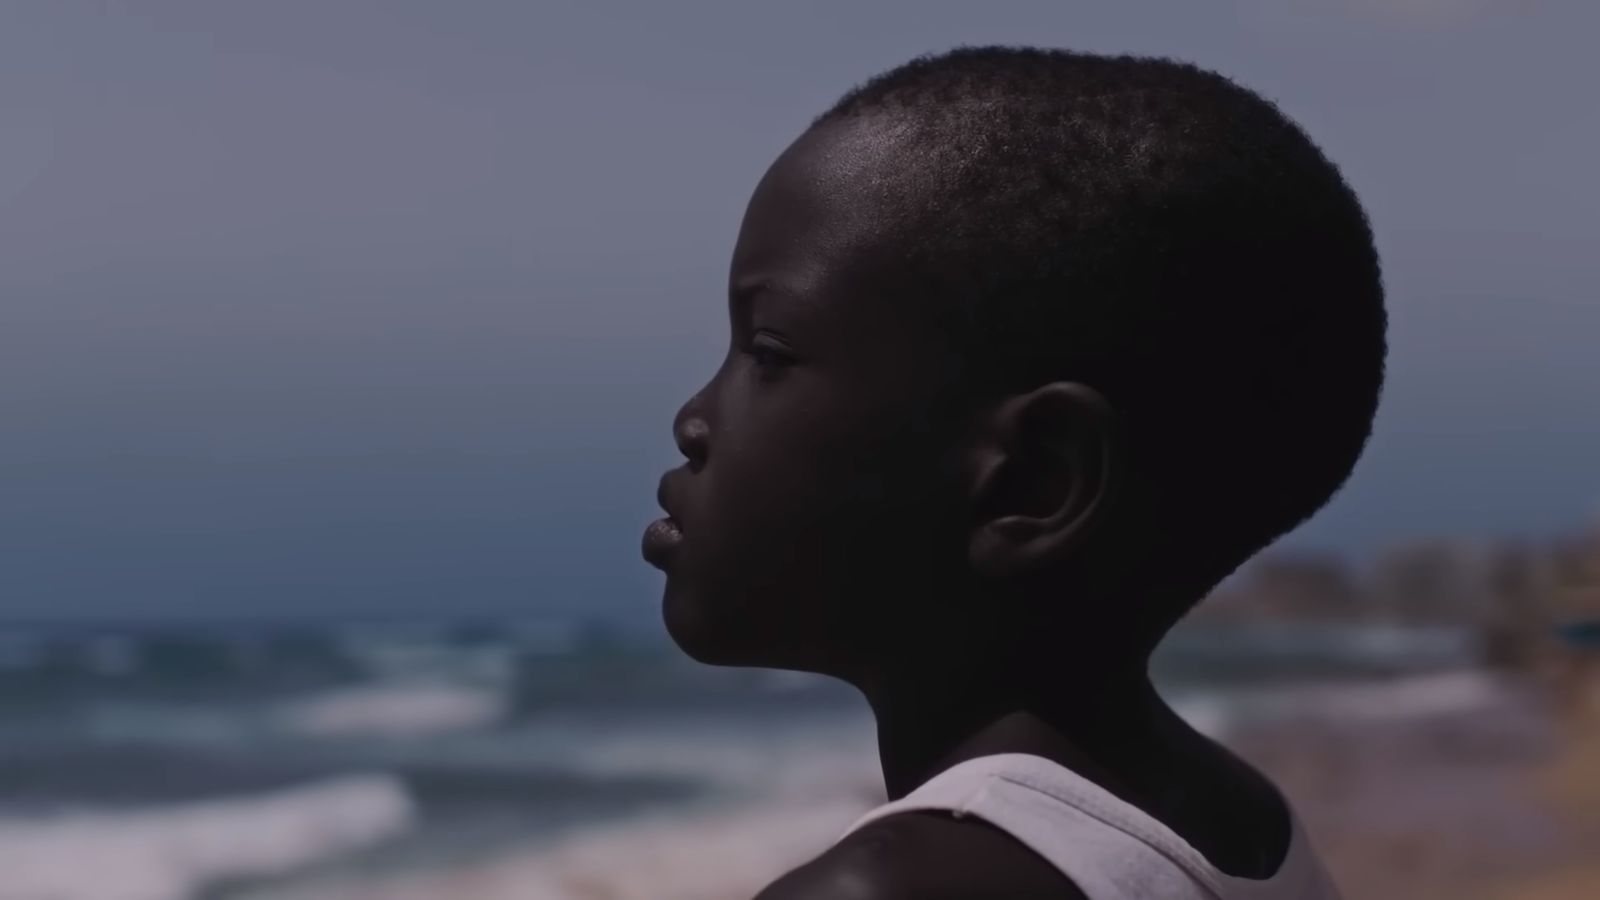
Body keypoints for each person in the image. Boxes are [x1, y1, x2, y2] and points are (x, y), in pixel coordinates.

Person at [641, 45, 1384, 899]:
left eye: (767, 352)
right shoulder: (1244, 824)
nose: (694, 420)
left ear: (1034, 481)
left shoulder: (893, 889)